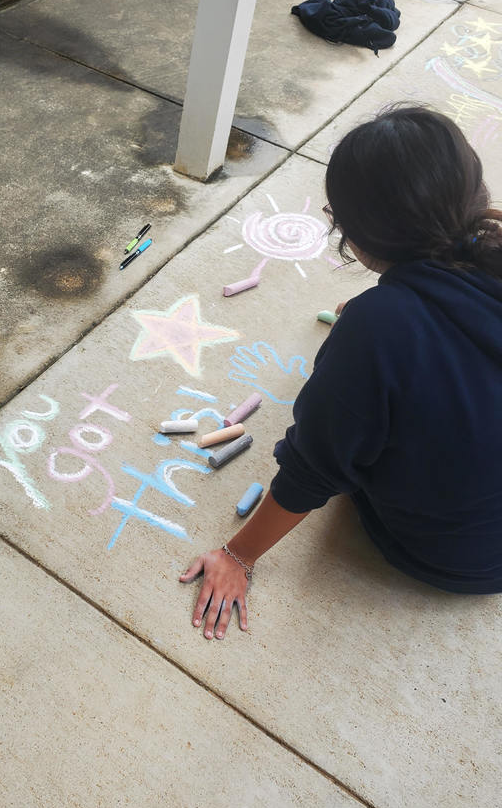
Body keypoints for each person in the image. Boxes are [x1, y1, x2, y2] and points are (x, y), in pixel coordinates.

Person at [181, 105, 502, 640]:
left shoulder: (380, 329)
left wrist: (237, 555)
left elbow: (317, 469)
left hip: (458, 556)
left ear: (357, 235)